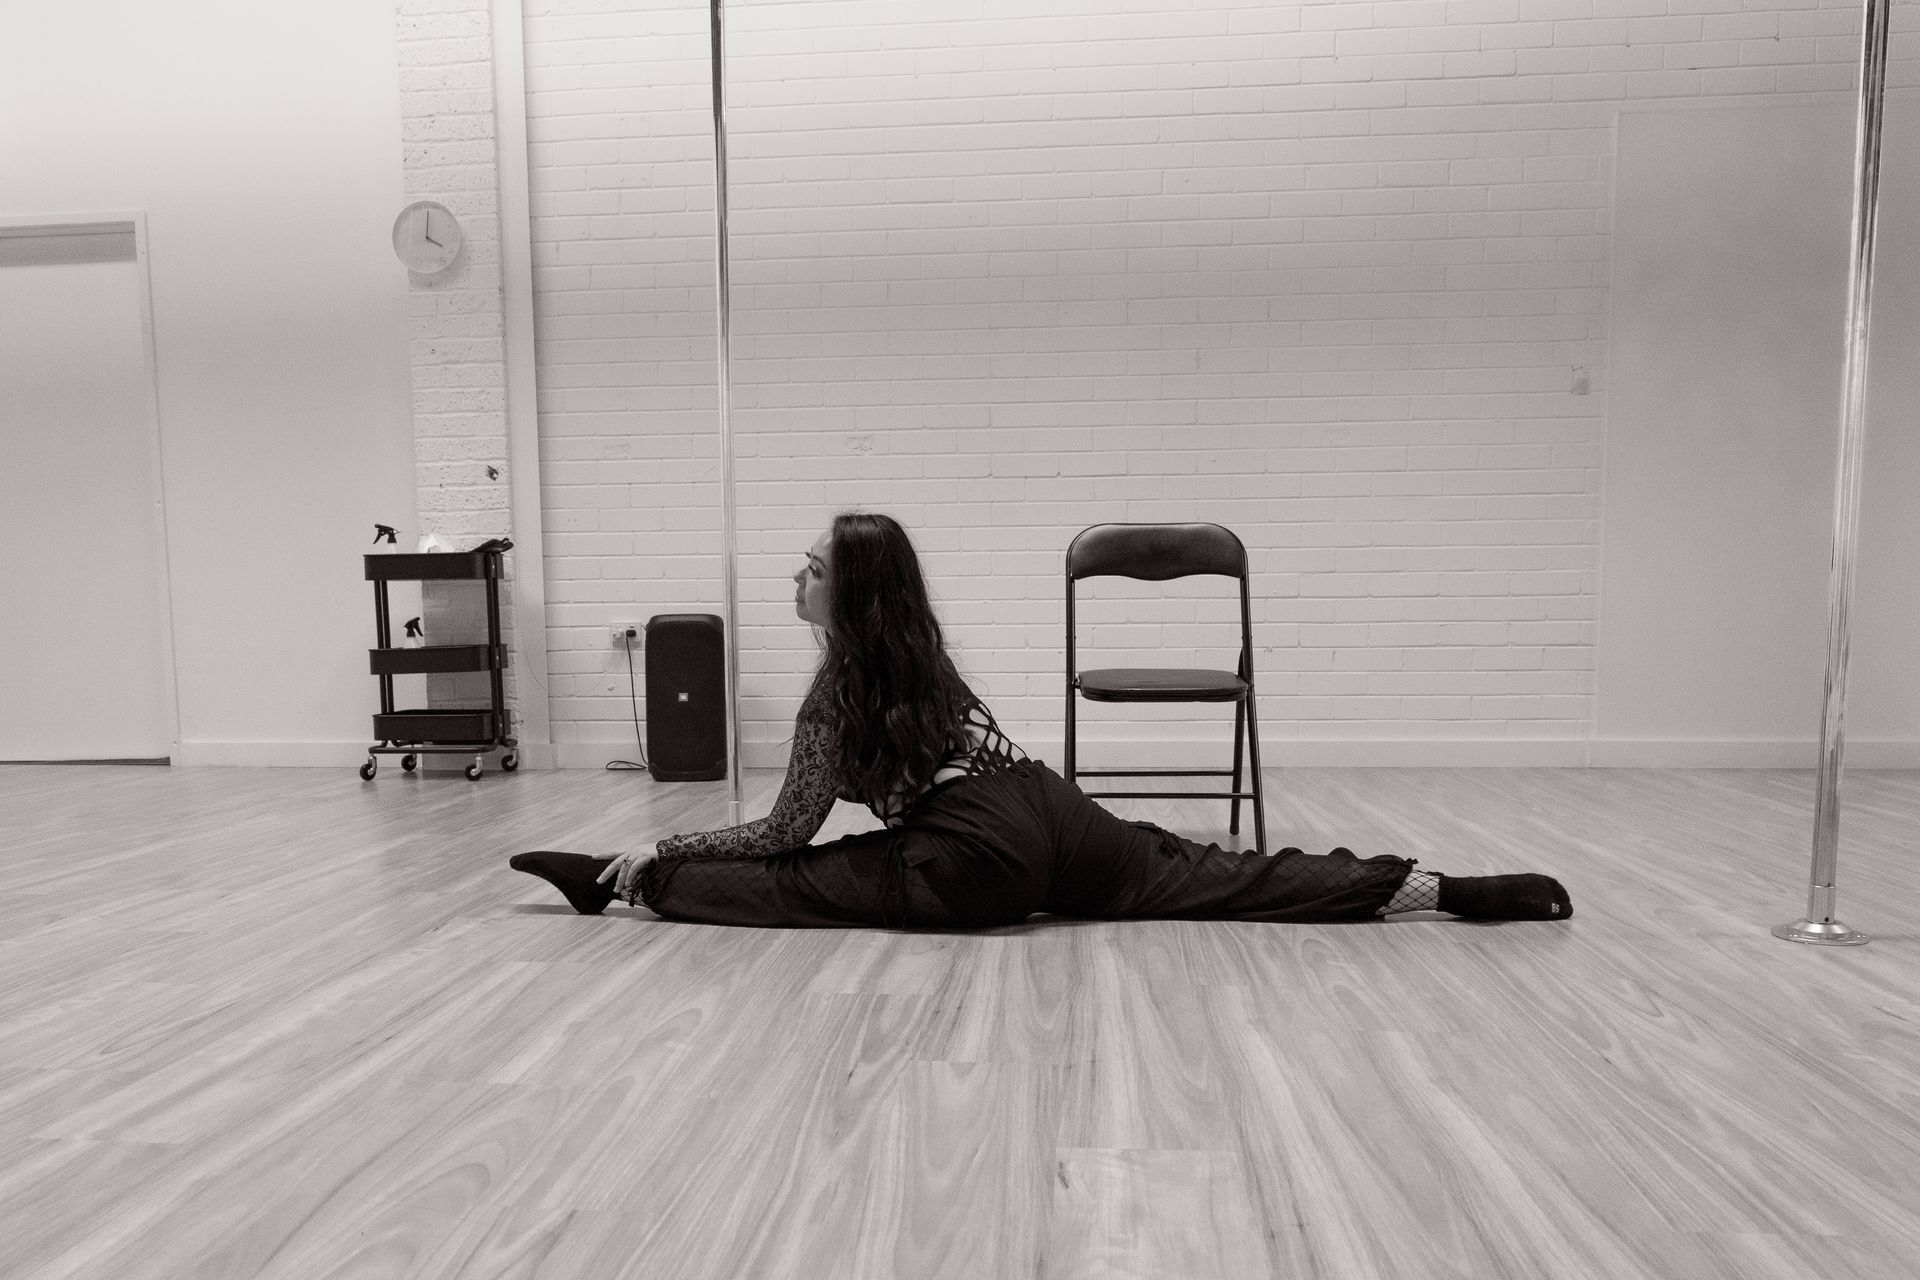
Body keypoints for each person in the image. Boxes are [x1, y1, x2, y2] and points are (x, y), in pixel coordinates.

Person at [511, 513, 1571, 928]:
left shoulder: (834, 694)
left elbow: (784, 835)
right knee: (1219, 875)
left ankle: (620, 877)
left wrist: (664, 838)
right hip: (1051, 813)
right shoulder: (925, 658)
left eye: (813, 567)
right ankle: (1437, 886)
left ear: (850, 592)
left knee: (788, 887)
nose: (796, 575)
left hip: (975, 857)